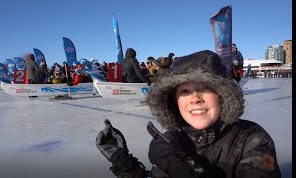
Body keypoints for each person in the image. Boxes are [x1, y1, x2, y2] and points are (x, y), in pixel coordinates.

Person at [95, 50, 281, 178]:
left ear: (223, 95)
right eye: (185, 91)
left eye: (206, 88)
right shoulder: (173, 139)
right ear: (174, 101)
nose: (195, 98)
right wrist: (125, 165)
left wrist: (181, 170)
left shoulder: (251, 139)